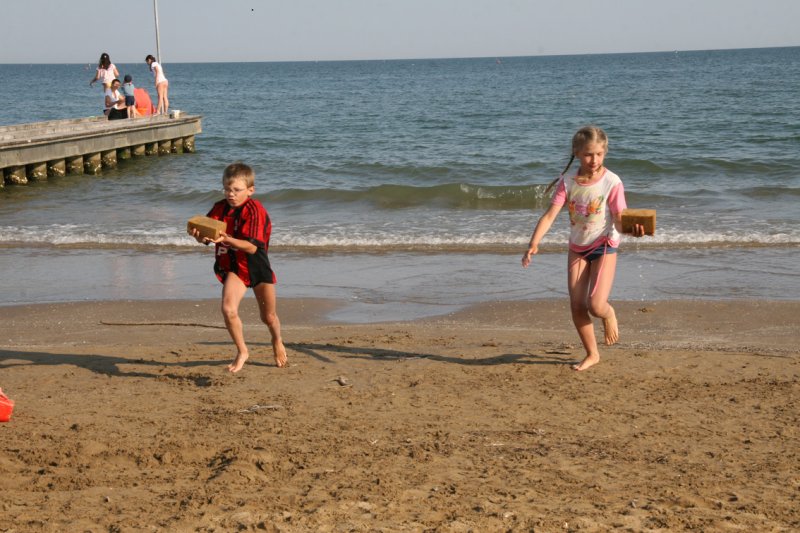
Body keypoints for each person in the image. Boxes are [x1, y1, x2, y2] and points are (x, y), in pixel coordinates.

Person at [522, 126, 645, 371]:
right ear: (577, 152)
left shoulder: (612, 182)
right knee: (577, 306)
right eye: (589, 154)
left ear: (605, 153)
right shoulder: (567, 182)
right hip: (578, 248)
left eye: (599, 154)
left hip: (605, 244)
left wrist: (632, 229)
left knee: (596, 306)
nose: (594, 160)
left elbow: (620, 218)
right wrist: (533, 244)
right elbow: (549, 216)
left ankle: (609, 314)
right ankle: (592, 354)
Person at [189, 162, 287, 372]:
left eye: (236, 190)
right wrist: (199, 236)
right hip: (233, 265)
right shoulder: (219, 208)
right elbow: (210, 237)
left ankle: (277, 340)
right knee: (228, 309)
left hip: (256, 264)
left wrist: (227, 238)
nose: (230, 194)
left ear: (250, 190)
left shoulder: (254, 209)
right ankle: (242, 350)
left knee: (268, 317)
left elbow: (251, 247)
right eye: (226, 189)